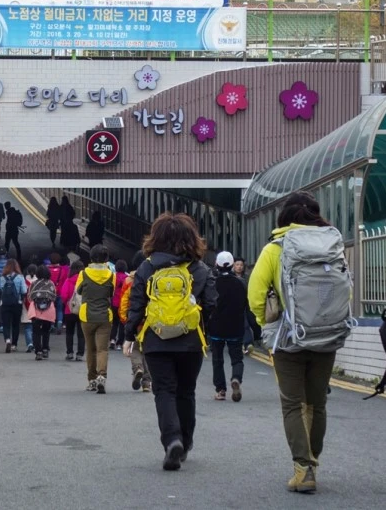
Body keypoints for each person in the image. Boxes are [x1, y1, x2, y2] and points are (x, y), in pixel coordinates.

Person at [248, 192, 352, 494]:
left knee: (292, 403)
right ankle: (313, 462)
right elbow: (344, 288)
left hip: (289, 337)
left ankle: (302, 469)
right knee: (317, 403)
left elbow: (256, 293)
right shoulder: (333, 245)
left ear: (285, 216)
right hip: (327, 334)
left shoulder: (276, 248)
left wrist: (266, 324)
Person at [124, 213, 217, 471]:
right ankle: (185, 443)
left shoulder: (147, 267)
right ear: (192, 238)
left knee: (164, 390)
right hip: (191, 342)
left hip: (156, 340)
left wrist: (129, 336)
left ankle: (171, 439)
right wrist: (203, 329)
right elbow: (212, 304)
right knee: (186, 391)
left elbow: (136, 304)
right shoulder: (201, 269)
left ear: (156, 237)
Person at [76, 244, 115, 393]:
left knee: (91, 349)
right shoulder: (111, 275)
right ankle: (102, 376)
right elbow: (111, 293)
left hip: (87, 315)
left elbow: (79, 290)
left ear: (91, 257)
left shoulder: (84, 273)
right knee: (102, 349)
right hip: (105, 315)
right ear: (106, 259)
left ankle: (92, 380)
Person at [209, 251, 248, 402]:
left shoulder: (213, 283)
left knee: (217, 360)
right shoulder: (241, 283)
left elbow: (208, 304)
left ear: (216, 265)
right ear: (232, 265)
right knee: (237, 358)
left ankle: (220, 390)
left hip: (216, 327)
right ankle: (236, 378)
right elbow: (247, 306)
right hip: (235, 326)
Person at [119, 251, 151, 393]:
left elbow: (124, 301)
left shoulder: (129, 280)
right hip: (150, 320)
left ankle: (138, 368)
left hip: (134, 319)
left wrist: (124, 318)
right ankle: (147, 382)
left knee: (135, 348)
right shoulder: (154, 277)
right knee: (147, 350)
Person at [29, 264, 58, 361]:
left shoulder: (34, 283)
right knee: (46, 331)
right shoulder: (51, 283)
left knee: (36, 332)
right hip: (48, 310)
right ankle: (45, 349)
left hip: (36, 310)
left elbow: (30, 296)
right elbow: (54, 296)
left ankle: (38, 352)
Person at [0, 259, 27, 353]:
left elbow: (1, 289)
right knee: (15, 324)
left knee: (6, 324)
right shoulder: (20, 277)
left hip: (5, 303)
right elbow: (24, 291)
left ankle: (7, 340)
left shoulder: (2, 277)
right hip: (17, 303)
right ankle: (14, 345)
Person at [60, 260, 86, 361]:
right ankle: (80, 354)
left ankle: (70, 352)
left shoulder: (68, 280)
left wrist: (67, 303)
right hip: (82, 309)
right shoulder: (85, 281)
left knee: (69, 332)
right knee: (81, 333)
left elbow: (64, 295)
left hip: (70, 309)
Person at [109, 259, 128, 350]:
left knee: (114, 323)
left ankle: (112, 340)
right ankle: (120, 343)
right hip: (123, 304)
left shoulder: (113, 277)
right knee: (122, 324)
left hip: (114, 303)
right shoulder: (127, 278)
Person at [48, 253, 69, 334]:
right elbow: (65, 282)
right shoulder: (63, 270)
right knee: (60, 309)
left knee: (50, 309)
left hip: (50, 293)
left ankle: (51, 325)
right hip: (60, 292)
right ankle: (59, 323)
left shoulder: (47, 270)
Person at [22, 264, 38, 354]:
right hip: (36, 306)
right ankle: (36, 344)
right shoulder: (39, 281)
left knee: (27, 327)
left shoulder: (25, 281)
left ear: (27, 271)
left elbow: (22, 292)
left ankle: (29, 344)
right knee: (36, 327)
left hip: (26, 306)